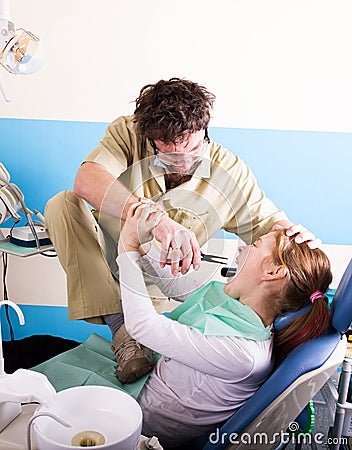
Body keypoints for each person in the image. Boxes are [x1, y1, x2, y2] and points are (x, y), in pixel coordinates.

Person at [44, 78, 321, 384]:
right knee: (62, 204)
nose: (179, 163)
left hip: (158, 282)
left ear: (206, 132)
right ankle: (121, 330)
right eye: (165, 153)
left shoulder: (230, 172)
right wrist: (154, 218)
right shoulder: (128, 131)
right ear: (148, 137)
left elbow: (271, 228)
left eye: (189, 149)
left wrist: (302, 242)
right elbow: (86, 180)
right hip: (101, 257)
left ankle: (134, 335)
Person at [116, 202, 332, 448]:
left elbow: (143, 326)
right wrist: (143, 250)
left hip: (139, 419)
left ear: (273, 272)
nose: (241, 249)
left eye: (255, 245)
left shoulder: (244, 355)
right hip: (147, 383)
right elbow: (175, 286)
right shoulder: (242, 314)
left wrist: (127, 248)